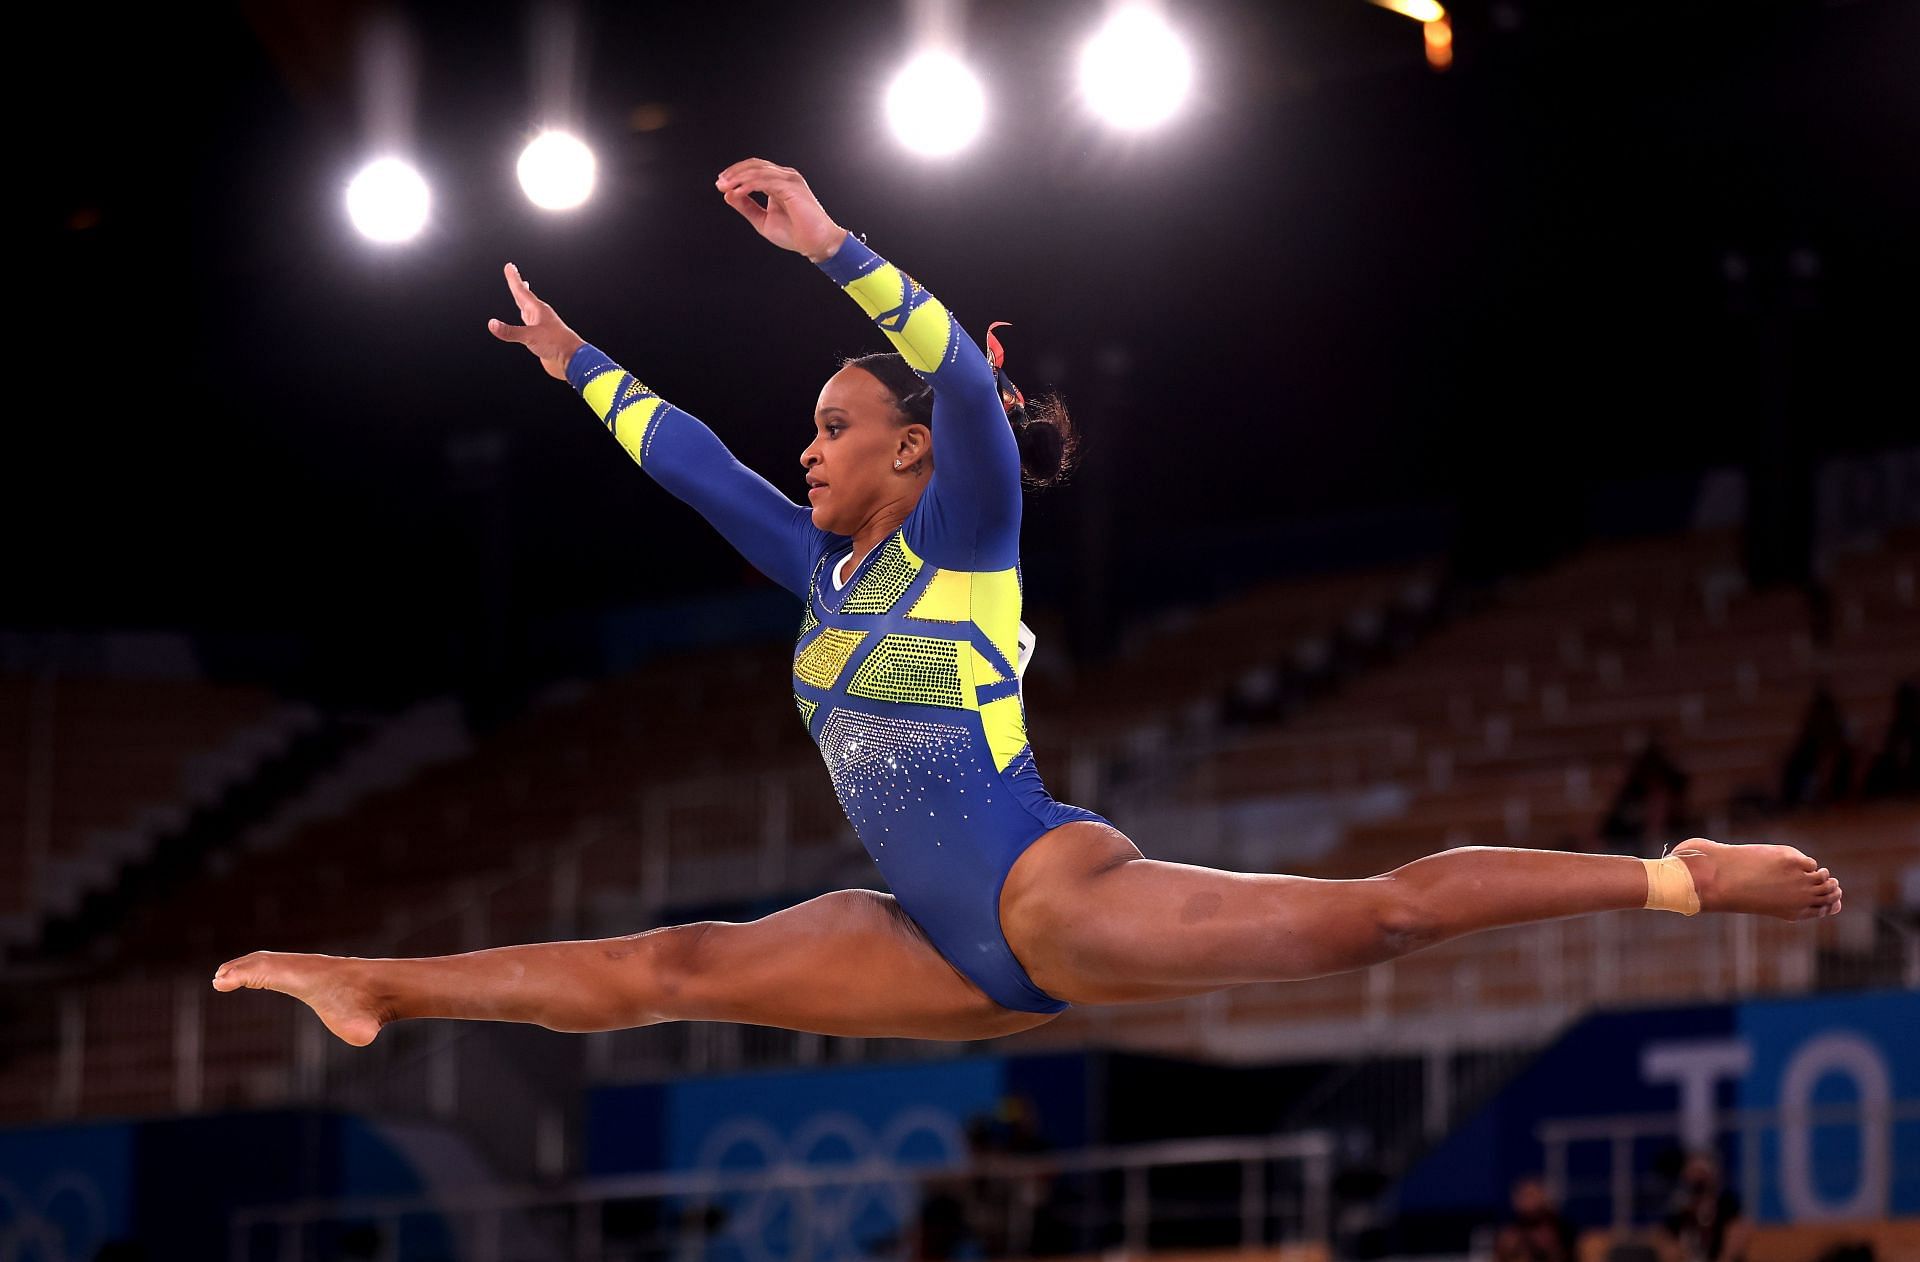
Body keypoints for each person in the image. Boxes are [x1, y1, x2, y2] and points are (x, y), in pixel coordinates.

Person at [212, 158, 1845, 1046]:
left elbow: (973, 403)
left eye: (839, 427)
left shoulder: (964, 529)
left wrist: (836, 244)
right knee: (680, 967)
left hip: (1048, 895)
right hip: (924, 940)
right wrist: (578, 366)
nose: (813, 445)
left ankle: (1671, 877)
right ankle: (376, 978)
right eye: (817, 428)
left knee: (1383, 916)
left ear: (912, 450)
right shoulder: (819, 563)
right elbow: (699, 467)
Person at [1659, 1152, 1748, 1262]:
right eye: (1694, 1172)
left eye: (1702, 1173)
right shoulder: (1678, 1206)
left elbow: (1738, 1231)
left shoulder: (1727, 1202)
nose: (1698, 1179)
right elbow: (1667, 1239)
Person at [1493, 1175, 1576, 1262]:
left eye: (1532, 1194)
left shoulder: (1559, 1228)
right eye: (1524, 1195)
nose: (1528, 1201)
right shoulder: (1508, 1232)